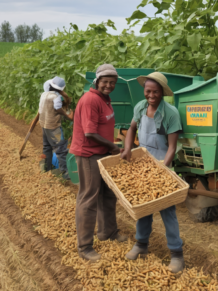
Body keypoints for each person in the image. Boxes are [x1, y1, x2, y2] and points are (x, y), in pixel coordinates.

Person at [121, 72, 185, 273]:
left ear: (162, 93)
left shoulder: (171, 113)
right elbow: (131, 129)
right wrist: (127, 149)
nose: (151, 95)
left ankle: (176, 254)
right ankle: (141, 245)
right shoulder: (140, 107)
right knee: (143, 208)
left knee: (168, 212)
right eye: (148, 91)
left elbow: (172, 147)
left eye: (155, 92)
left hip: (162, 164)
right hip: (143, 163)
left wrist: (163, 170)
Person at [69, 64, 128, 263]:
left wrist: (110, 147)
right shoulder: (90, 100)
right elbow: (90, 133)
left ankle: (108, 232)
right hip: (88, 154)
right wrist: (113, 146)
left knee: (108, 194)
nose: (109, 85)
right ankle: (84, 246)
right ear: (97, 81)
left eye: (112, 82)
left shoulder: (105, 99)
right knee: (89, 198)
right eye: (105, 82)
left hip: (102, 153)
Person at [39, 76, 73, 179]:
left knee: (47, 147)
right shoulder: (56, 97)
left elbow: (41, 110)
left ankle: (46, 169)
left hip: (44, 125)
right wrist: (67, 116)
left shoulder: (44, 95)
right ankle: (65, 173)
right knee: (61, 149)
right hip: (53, 126)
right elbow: (58, 108)